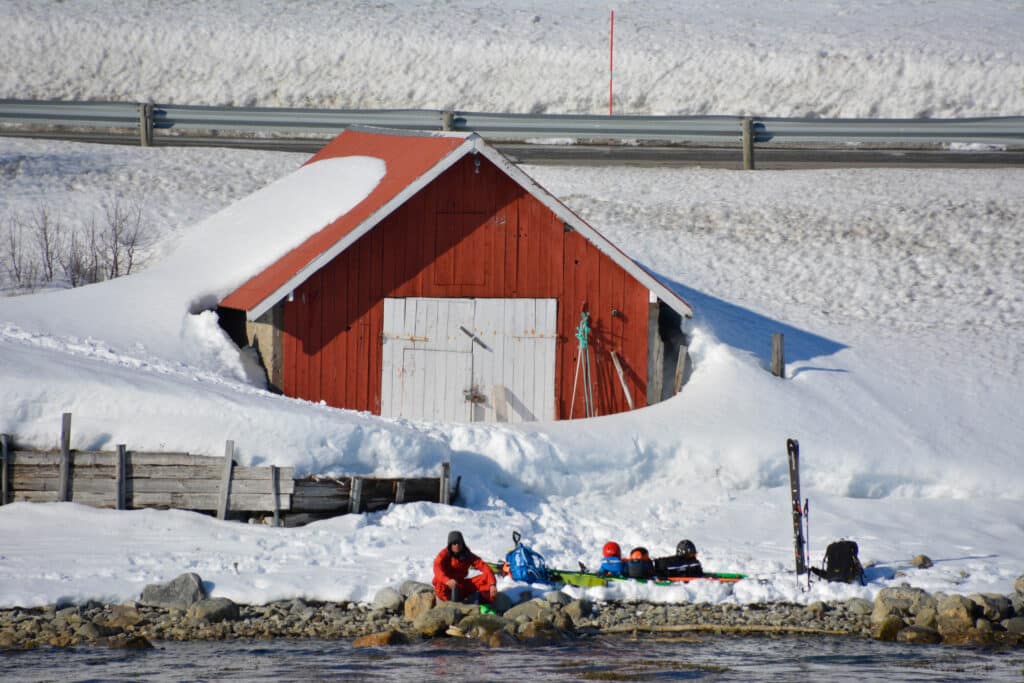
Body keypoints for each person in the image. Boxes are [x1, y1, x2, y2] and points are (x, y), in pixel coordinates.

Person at [433, 530, 497, 604]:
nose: (457, 545)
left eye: (459, 543)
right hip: (445, 588)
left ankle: (486, 601)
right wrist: (446, 580)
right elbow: (437, 567)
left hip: (460, 586)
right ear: (450, 545)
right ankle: (452, 605)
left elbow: (484, 566)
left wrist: (492, 584)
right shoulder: (444, 554)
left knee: (487, 577)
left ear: (462, 543)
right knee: (438, 580)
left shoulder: (467, 555)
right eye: (454, 543)